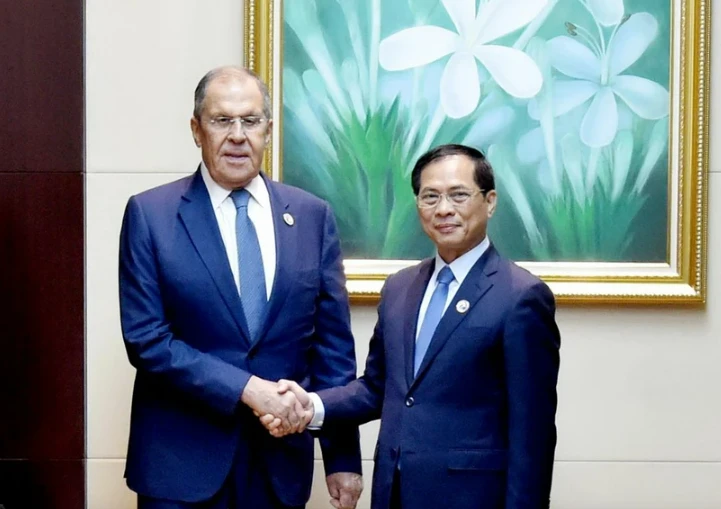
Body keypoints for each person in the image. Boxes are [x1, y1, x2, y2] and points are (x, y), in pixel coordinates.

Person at [262, 144, 561, 509]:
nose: (444, 209)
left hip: (473, 498)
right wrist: (310, 406)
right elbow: (377, 389)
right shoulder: (400, 288)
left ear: (491, 201)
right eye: (430, 196)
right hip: (395, 492)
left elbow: (533, 433)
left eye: (459, 195)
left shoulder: (521, 296)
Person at [118, 66, 363, 509]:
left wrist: (341, 457)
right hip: (181, 467)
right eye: (221, 120)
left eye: (250, 121)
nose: (237, 135)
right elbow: (147, 340)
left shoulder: (312, 216)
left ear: (268, 130)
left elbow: (332, 350)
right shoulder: (150, 215)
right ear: (196, 129)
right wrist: (249, 388)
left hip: (278, 468)